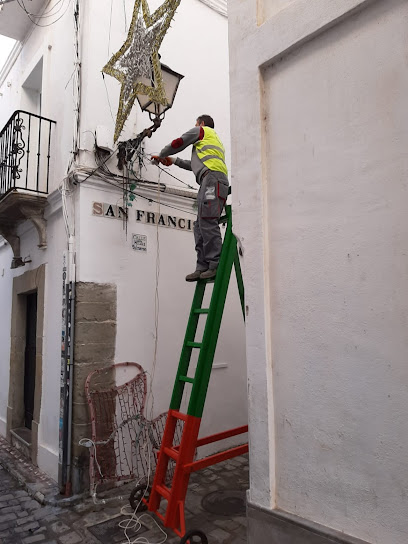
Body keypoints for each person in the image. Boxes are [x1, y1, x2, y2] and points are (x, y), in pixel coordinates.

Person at [152, 115, 229, 281]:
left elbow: (179, 142)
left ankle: (214, 263)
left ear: (201, 123)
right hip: (210, 180)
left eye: (195, 123)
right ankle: (202, 267)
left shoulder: (201, 131)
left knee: (207, 220)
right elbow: (193, 165)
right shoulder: (211, 142)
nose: (194, 126)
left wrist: (161, 154)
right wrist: (172, 160)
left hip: (212, 181)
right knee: (199, 224)